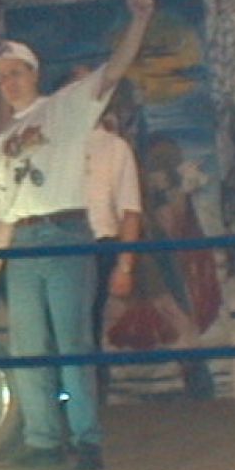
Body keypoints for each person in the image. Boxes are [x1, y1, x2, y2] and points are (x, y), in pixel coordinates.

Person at [0, 0, 156, 470]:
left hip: (64, 232)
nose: (9, 82)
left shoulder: (64, 106)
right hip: (24, 241)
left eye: (16, 73)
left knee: (72, 342)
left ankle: (85, 437)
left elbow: (113, 71)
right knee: (28, 347)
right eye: (2, 76)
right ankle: (42, 438)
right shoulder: (4, 141)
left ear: (33, 73)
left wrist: (139, 21)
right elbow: (4, 214)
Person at [85, 111, 143, 401]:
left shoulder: (114, 147)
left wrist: (125, 265)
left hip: (99, 241)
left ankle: (92, 393)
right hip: (63, 241)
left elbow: (130, 211)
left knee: (89, 323)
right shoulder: (54, 143)